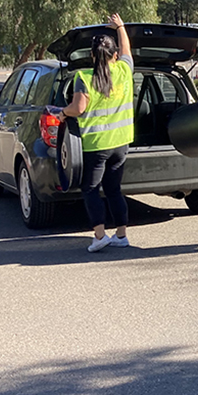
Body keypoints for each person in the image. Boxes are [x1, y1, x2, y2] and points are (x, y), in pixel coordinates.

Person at [60, 13, 134, 252]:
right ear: (114, 55)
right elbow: (127, 51)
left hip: (96, 144)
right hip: (121, 143)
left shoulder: (84, 77)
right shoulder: (124, 71)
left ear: (92, 55)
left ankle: (100, 235)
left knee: (91, 189)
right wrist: (120, 27)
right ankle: (121, 235)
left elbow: (78, 108)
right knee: (114, 189)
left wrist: (63, 112)